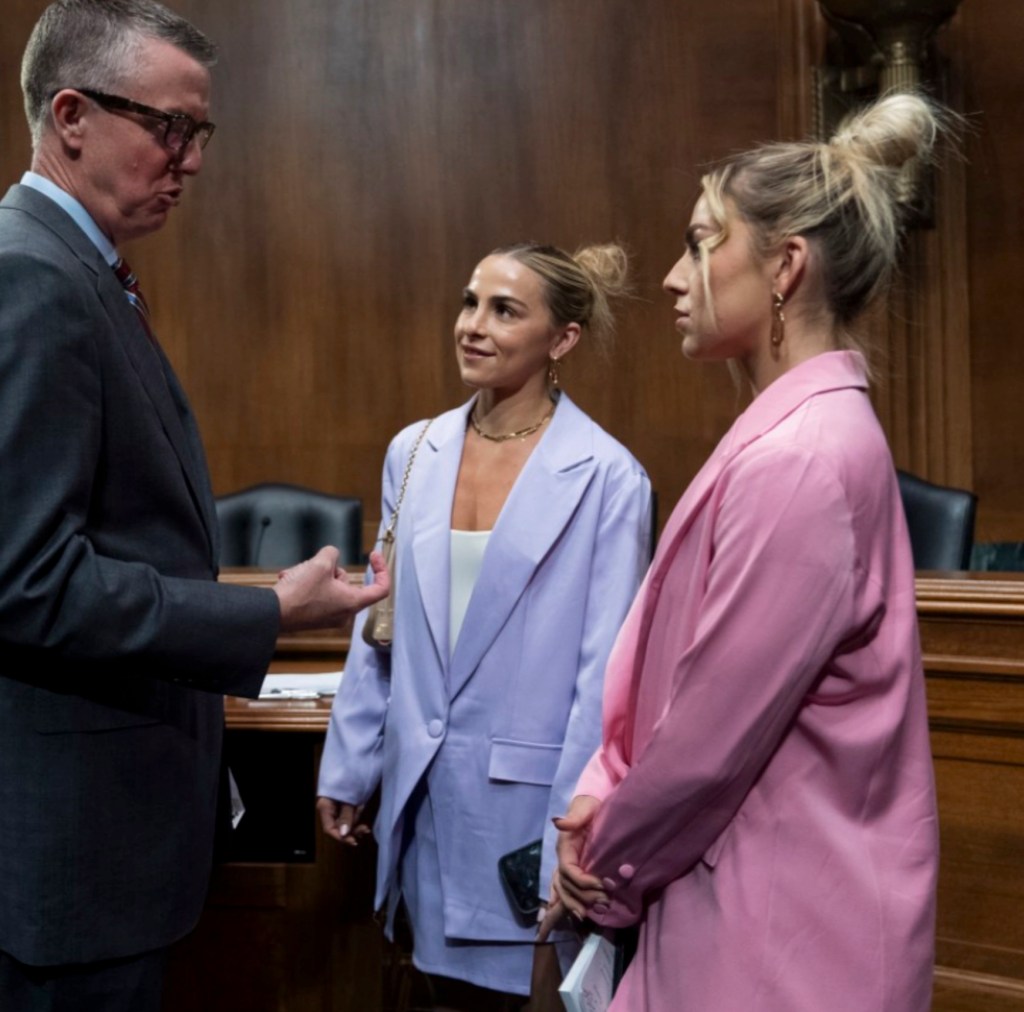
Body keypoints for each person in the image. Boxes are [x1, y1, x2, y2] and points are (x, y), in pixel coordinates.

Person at [0, 2, 387, 1008]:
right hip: (72, 863)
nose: (192, 159)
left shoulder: (78, 269)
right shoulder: (32, 277)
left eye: (199, 132)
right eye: (169, 127)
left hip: (105, 849)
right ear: (72, 116)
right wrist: (267, 612)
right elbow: (28, 582)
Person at [544, 93, 946, 1011]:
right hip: (761, 901)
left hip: (780, 933)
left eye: (700, 243)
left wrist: (602, 860)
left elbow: (708, 741)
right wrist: (602, 791)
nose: (677, 280)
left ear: (784, 267)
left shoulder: (802, 457)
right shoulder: (800, 436)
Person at [317, 242, 651, 1009]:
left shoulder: (608, 477)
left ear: (561, 340)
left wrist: (571, 837)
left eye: (504, 310)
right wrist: (348, 764)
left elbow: (603, 682)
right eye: (470, 302)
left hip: (524, 819)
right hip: (419, 805)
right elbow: (382, 627)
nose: (472, 325)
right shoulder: (415, 450)